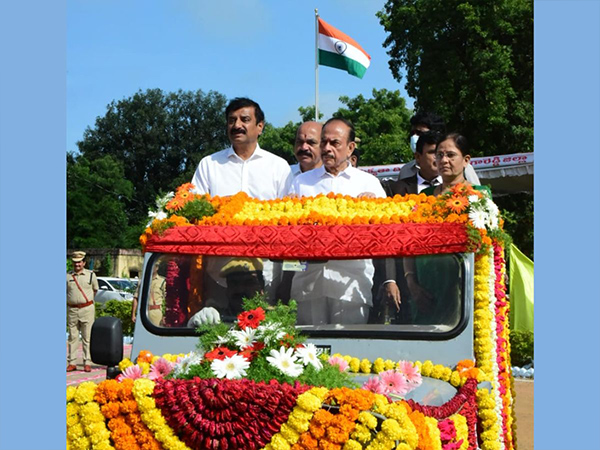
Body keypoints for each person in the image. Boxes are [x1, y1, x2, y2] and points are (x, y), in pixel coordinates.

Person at [190, 97, 292, 304]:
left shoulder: (278, 167)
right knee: (215, 332)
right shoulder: (209, 164)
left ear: (260, 126)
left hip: (265, 272)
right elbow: (194, 212)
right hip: (218, 273)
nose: (237, 125)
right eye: (231, 120)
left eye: (244, 119)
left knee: (264, 333)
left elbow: (288, 220)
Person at [288, 118, 386, 325]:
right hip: (309, 283)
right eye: (323, 142)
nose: (327, 148)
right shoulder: (301, 182)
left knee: (348, 353)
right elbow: (288, 236)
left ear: (351, 148)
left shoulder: (369, 184)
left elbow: (384, 233)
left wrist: (373, 209)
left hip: (351, 285)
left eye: (334, 143)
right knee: (308, 350)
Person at [405, 133, 490, 325]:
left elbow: (489, 247)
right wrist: (411, 284)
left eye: (451, 155)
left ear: (466, 160)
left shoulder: (478, 196)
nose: (443, 160)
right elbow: (408, 243)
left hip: (462, 289)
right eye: (439, 154)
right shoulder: (423, 197)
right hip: (424, 287)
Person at [397, 111, 480, 184]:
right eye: (412, 133)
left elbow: (476, 195)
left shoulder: (462, 167)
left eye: (420, 133)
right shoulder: (406, 170)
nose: (415, 136)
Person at [188, 258, 265, 326]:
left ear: (262, 288)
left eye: (248, 282)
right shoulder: (216, 318)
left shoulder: (272, 318)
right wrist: (195, 322)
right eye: (234, 283)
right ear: (227, 289)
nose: (240, 289)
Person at [67, 251, 98, 372]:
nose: (77, 265)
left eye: (79, 262)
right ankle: (72, 362)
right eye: (75, 262)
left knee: (87, 336)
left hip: (87, 309)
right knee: (72, 337)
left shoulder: (91, 275)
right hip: (72, 309)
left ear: (84, 263)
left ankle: (87, 362)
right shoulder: (68, 276)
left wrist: (86, 301)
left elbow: (95, 290)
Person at [385, 131, 442, 196]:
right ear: (418, 157)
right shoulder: (396, 189)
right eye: (432, 152)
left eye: (441, 153)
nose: (438, 157)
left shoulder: (453, 186)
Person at [131, 262, 166, 326]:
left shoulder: (162, 281)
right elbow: (136, 298)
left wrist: (165, 315)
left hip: (156, 312)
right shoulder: (143, 281)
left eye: (154, 266)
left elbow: (167, 300)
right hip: (143, 313)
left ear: (157, 268)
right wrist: (133, 314)